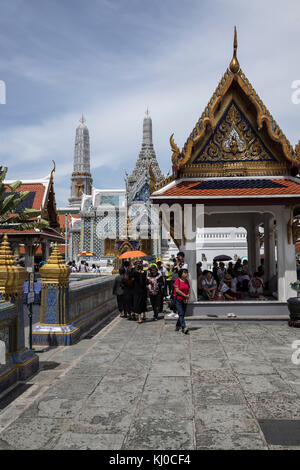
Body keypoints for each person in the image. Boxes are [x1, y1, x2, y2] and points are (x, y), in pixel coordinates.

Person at [174, 268, 190, 334]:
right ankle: (184, 327)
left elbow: (188, 289)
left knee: (182, 313)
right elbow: (177, 290)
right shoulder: (177, 280)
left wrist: (187, 297)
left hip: (185, 299)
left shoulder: (187, 281)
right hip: (178, 299)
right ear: (181, 274)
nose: (186, 274)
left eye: (186, 272)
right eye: (184, 272)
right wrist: (185, 295)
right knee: (181, 313)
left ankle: (178, 325)